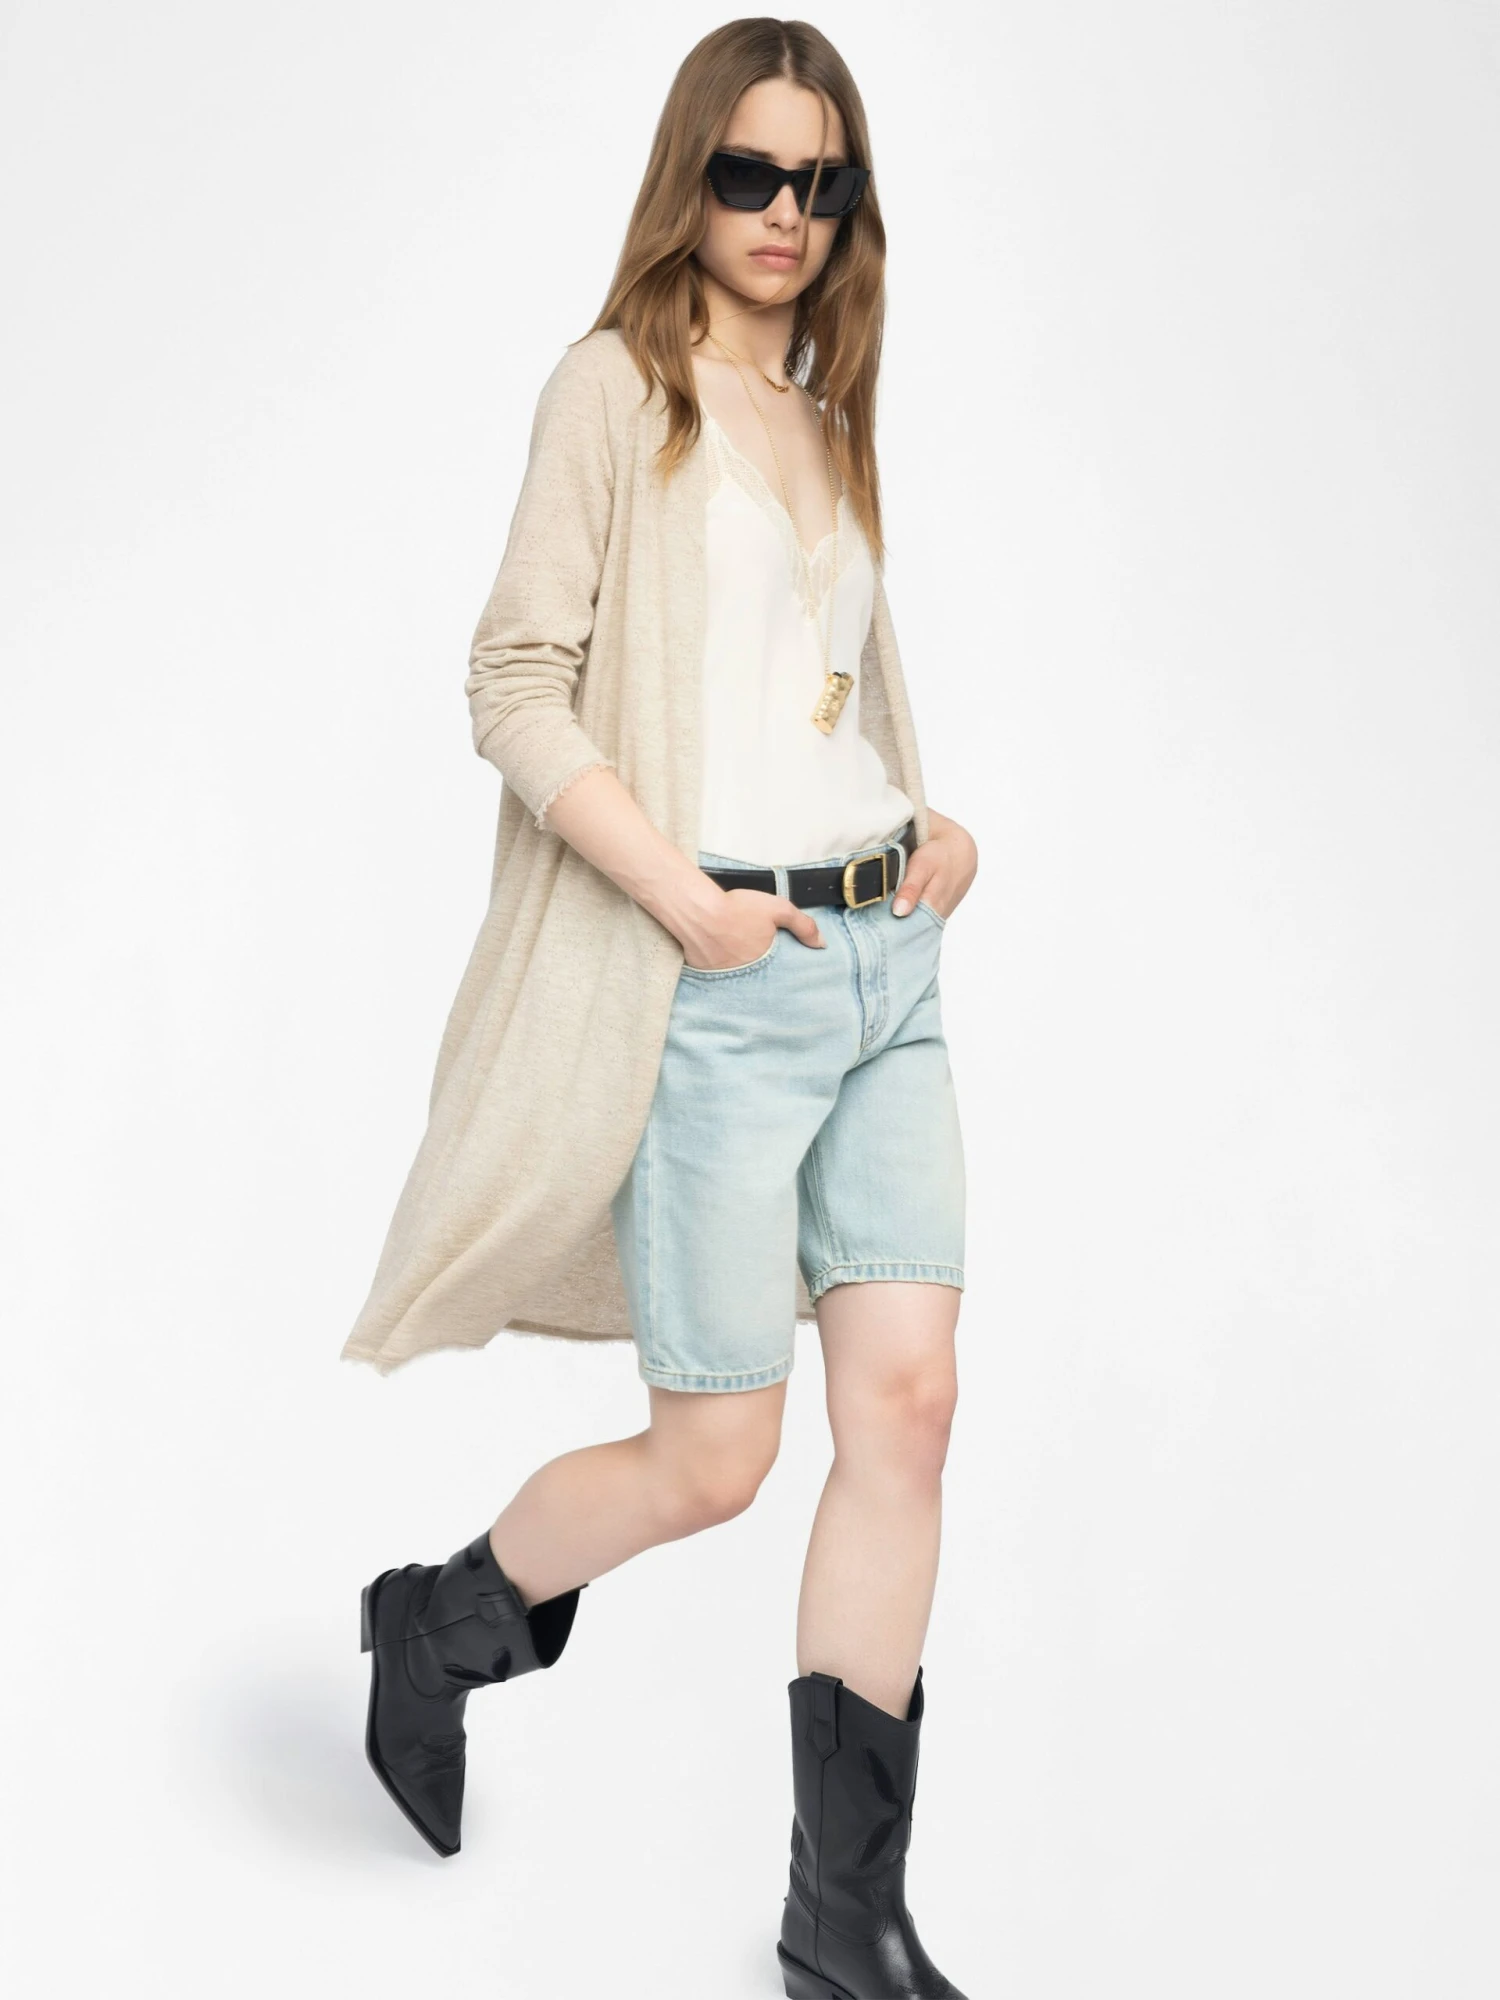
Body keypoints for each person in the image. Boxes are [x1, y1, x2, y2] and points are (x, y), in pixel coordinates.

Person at [345, 20, 977, 1999]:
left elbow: (825, 693)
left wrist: (927, 815)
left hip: (885, 968)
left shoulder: (825, 404)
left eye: (822, 182)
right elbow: (514, 681)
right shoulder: (614, 391)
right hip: (725, 984)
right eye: (749, 173)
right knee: (716, 1459)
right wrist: (685, 901)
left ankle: (842, 1923)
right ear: (689, 174)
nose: (786, 213)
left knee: (911, 1408)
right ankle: (440, 1622)